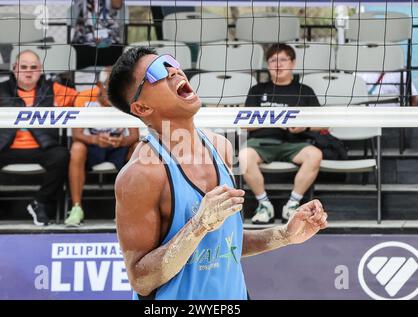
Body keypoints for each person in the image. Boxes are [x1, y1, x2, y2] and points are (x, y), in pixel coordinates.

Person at [107, 47, 328, 299]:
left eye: (169, 62)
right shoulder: (140, 174)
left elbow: (225, 242)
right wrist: (198, 226)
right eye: (157, 72)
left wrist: (284, 235)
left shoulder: (220, 146)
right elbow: (141, 281)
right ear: (142, 108)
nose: (173, 70)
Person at [0, 50, 78, 228]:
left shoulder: (54, 89)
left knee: (62, 155)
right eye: (24, 67)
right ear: (14, 69)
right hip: (4, 147)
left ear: (40, 69)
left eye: (33, 67)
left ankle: (40, 203)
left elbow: (84, 98)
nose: (28, 72)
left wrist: (103, 88)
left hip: (41, 147)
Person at [239, 43, 323, 225]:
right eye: (272, 60)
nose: (278, 64)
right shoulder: (257, 90)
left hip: (294, 143)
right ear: (268, 65)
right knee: (244, 156)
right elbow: (244, 124)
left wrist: (304, 127)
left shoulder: (305, 91)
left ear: (293, 63)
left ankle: (292, 204)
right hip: (262, 143)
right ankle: (264, 205)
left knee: (315, 155)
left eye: (283, 59)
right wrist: (270, 119)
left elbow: (323, 124)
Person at [65, 66, 139, 226]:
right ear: (99, 85)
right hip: (93, 145)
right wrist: (95, 140)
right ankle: (76, 208)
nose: (113, 90)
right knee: (77, 148)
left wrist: (121, 141)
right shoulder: (84, 99)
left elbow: (134, 135)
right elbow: (76, 134)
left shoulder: (125, 99)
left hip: (117, 145)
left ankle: (130, 211)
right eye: (109, 85)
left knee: (137, 147)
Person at [71, 0, 125, 69]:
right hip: (83, 42)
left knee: (117, 62)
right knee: (72, 57)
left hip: (110, 43)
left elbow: (117, 5)